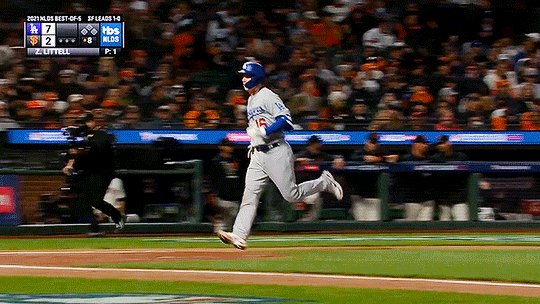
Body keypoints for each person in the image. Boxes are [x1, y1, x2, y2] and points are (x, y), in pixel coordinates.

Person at [217, 62, 343, 249]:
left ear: (258, 77)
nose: (243, 79)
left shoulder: (267, 95)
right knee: (249, 195)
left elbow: (286, 121)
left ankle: (324, 182)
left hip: (276, 151)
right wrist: (257, 133)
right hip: (258, 154)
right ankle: (239, 235)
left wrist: (265, 131)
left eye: (247, 76)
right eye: (243, 75)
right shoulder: (251, 100)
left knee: (291, 195)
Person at [62, 112, 126, 234]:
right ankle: (95, 227)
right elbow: (76, 154)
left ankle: (117, 216)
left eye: (85, 122)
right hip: (90, 172)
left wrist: (80, 150)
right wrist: (71, 162)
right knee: (84, 201)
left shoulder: (101, 133)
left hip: (103, 171)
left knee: (96, 200)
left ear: (92, 122)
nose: (83, 126)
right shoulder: (84, 137)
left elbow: (96, 150)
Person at [208, 138, 244, 232]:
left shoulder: (237, 161)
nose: (229, 148)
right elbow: (212, 179)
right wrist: (212, 194)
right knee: (222, 226)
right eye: (227, 145)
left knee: (232, 226)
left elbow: (241, 179)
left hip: (235, 198)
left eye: (231, 146)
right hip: (221, 197)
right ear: (221, 147)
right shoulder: (216, 161)